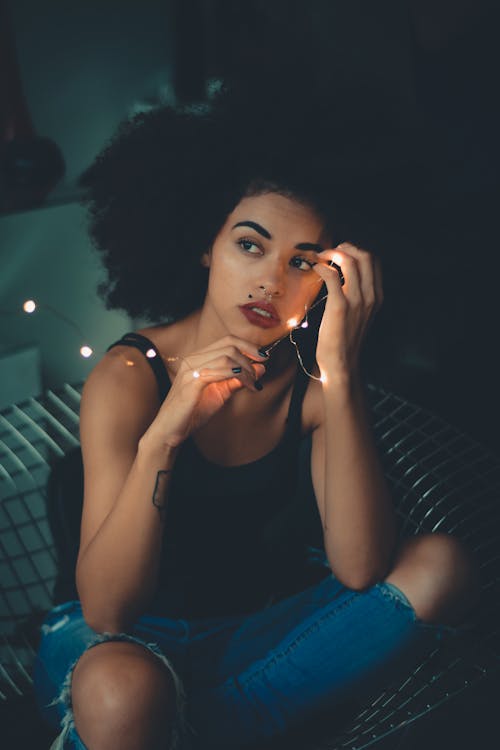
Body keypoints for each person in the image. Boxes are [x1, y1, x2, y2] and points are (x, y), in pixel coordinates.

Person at [33, 91, 480, 750]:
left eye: (303, 260)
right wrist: (167, 433)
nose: (270, 281)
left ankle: (202, 728)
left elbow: (359, 570)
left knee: (443, 565)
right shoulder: (130, 376)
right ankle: (225, 723)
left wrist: (343, 372)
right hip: (117, 646)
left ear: (333, 279)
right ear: (205, 245)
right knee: (124, 692)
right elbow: (106, 611)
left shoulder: (314, 387)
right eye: (250, 244)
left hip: (253, 632)